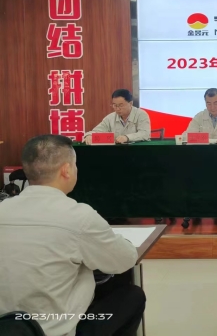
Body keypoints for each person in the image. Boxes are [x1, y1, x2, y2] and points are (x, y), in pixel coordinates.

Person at [0, 135, 145, 336]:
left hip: (7, 327)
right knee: (132, 296)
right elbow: (125, 260)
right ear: (66, 170)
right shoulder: (79, 216)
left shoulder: (3, 209)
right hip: (55, 330)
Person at [84, 89, 150, 145]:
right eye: (115, 105)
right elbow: (96, 131)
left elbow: (145, 134)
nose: (117, 109)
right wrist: (89, 135)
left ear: (130, 103)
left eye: (121, 105)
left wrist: (127, 137)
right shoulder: (110, 118)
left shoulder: (141, 114)